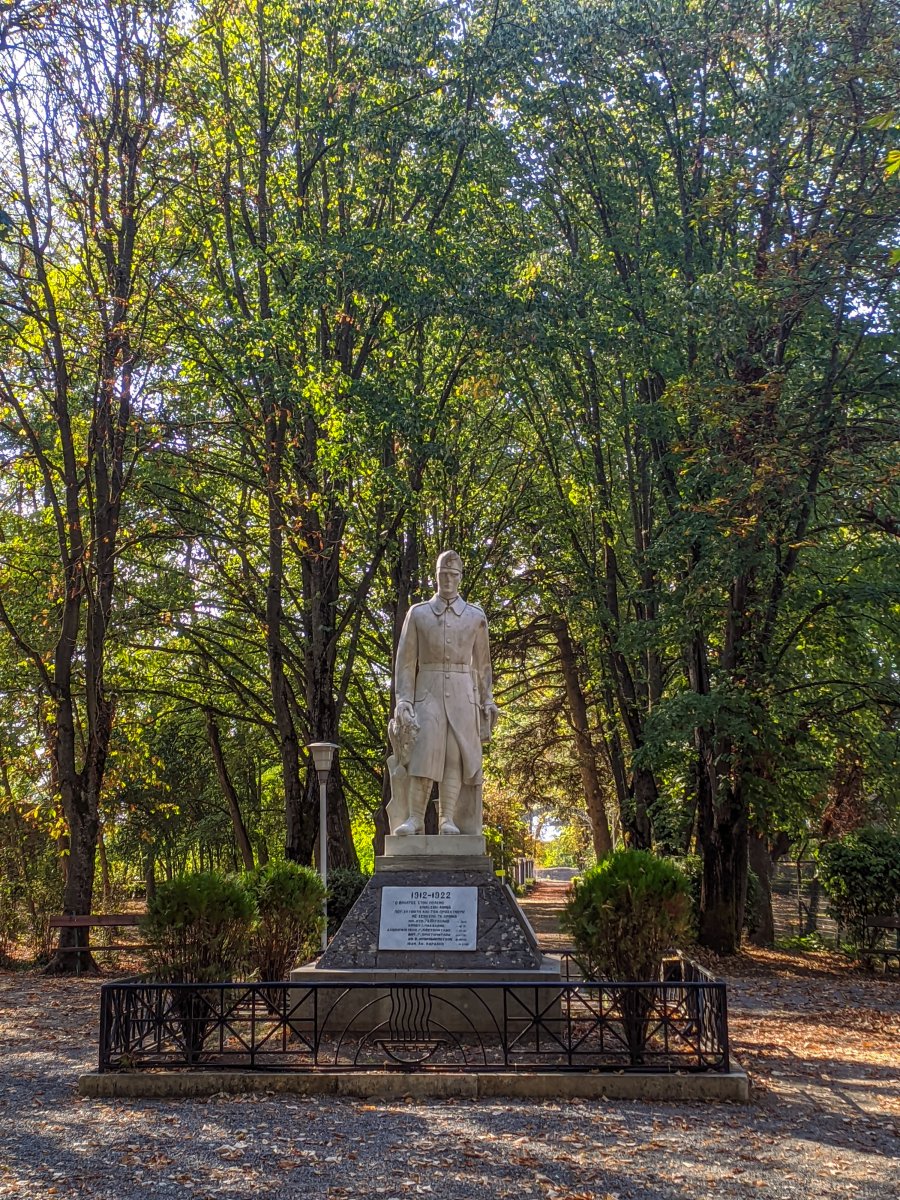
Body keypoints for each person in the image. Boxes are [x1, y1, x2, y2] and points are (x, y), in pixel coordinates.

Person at [388, 551, 499, 835]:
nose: (448, 580)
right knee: (424, 755)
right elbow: (405, 662)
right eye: (443, 574)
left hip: (463, 695)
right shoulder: (419, 613)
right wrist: (404, 699)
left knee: (454, 756)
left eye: (453, 575)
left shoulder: (475, 616)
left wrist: (487, 698)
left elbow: (483, 665)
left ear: (460, 577)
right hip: (428, 692)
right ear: (436, 576)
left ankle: (447, 818)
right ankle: (415, 818)